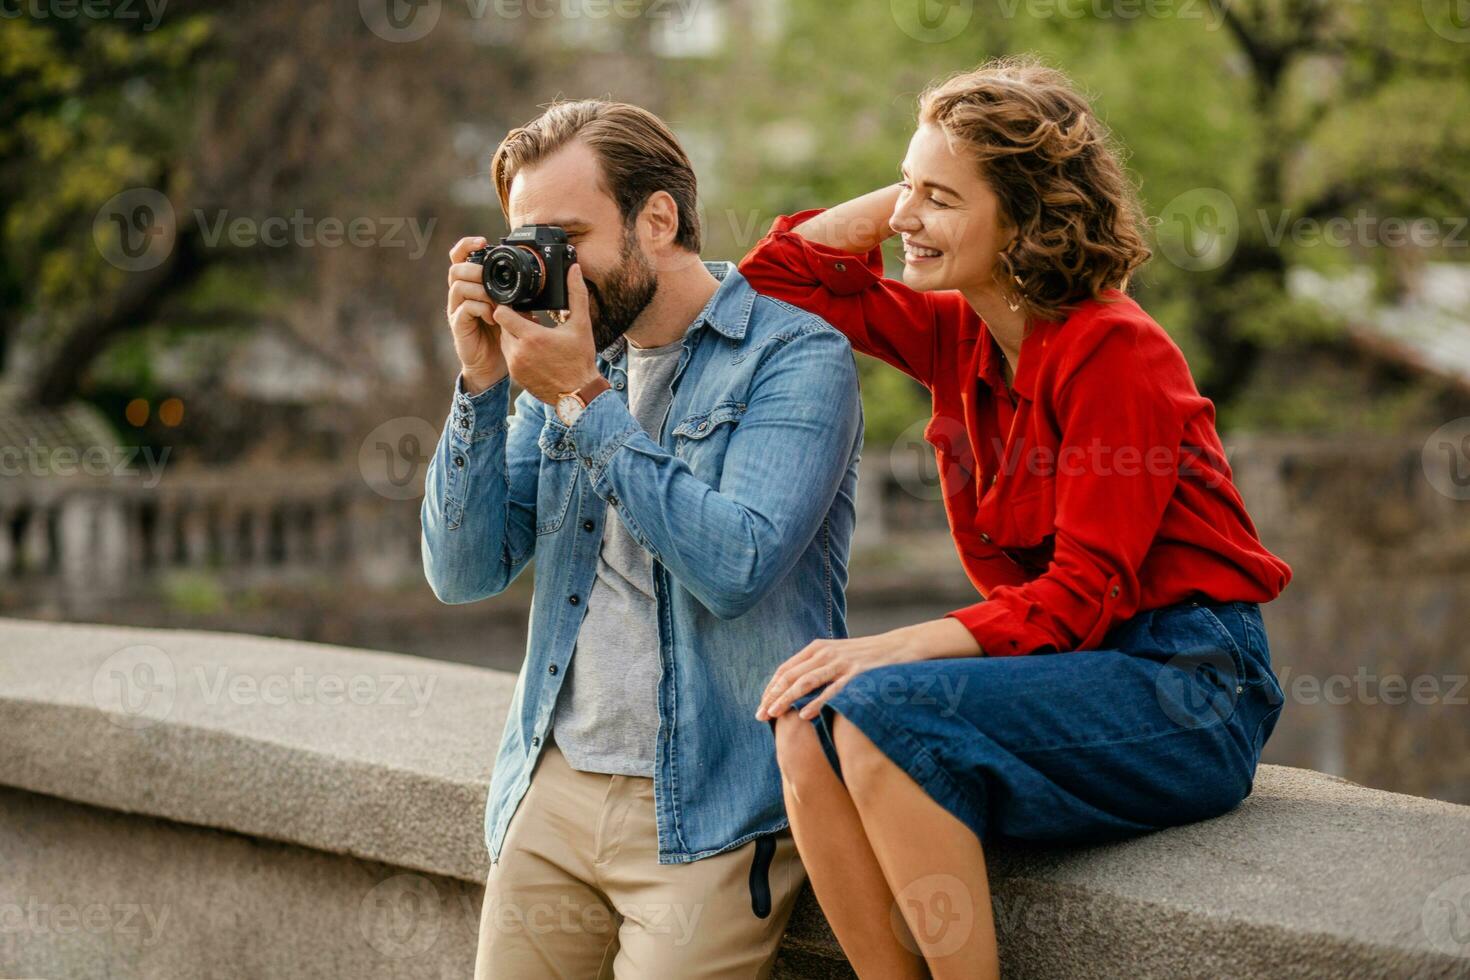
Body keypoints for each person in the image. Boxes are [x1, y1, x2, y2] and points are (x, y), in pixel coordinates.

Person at [741, 58, 1292, 979]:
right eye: (906, 189)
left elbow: (1079, 597)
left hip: (1189, 682)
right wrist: (931, 180)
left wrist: (886, 645)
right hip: (1077, 670)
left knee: (872, 710)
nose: (906, 219)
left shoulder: (1116, 352)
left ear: (1027, 219)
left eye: (942, 199)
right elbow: (779, 279)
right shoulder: (960, 331)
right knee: (803, 721)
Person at [421, 100, 864, 978]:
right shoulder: (565, 360)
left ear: (656, 218)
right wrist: (479, 387)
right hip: (550, 787)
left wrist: (584, 401)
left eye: (566, 236)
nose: (545, 266)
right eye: (527, 239)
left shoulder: (794, 358)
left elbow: (735, 565)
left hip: (711, 810)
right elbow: (463, 575)